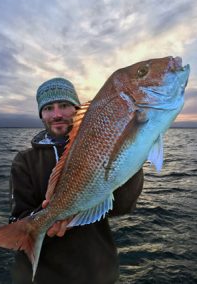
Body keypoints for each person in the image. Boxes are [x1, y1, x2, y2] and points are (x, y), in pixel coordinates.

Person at [9, 77, 144, 284]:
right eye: (48, 108)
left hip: (98, 274)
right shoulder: (24, 160)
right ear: (41, 115)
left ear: (78, 109)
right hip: (43, 278)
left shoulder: (101, 143)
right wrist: (48, 218)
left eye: (64, 105)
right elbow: (18, 218)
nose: (57, 114)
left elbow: (122, 207)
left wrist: (130, 154)